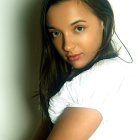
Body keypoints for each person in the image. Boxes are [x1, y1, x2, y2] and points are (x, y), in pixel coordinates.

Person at [32, 0, 140, 139]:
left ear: (104, 22)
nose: (67, 46)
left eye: (78, 28)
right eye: (56, 33)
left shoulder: (97, 80)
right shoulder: (106, 74)